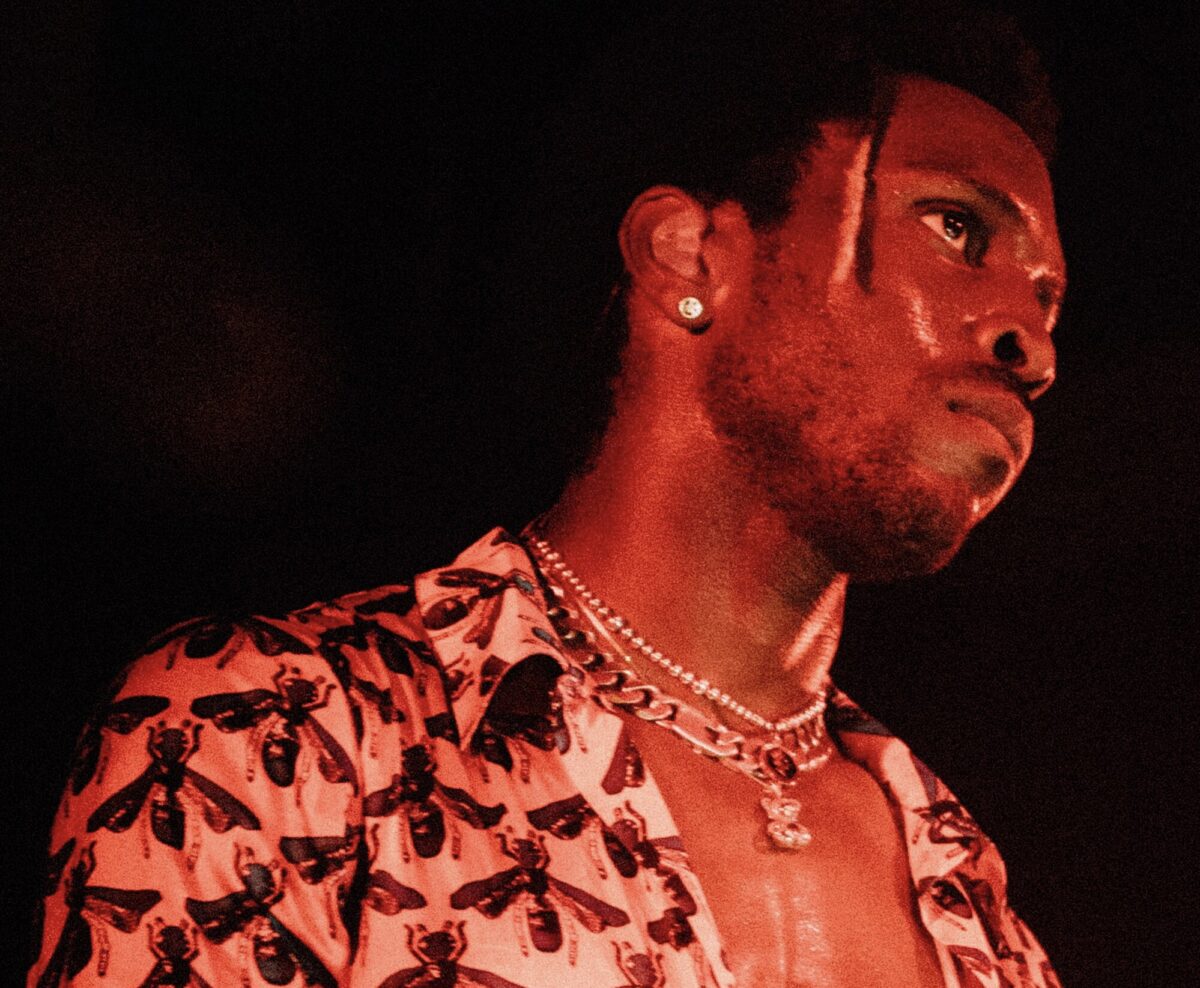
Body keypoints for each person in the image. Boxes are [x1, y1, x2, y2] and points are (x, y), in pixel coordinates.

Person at [29, 2, 1065, 985]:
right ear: (689, 254)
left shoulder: (977, 906)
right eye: (957, 229)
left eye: (1047, 297)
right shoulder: (273, 737)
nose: (1033, 345)